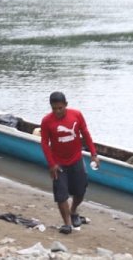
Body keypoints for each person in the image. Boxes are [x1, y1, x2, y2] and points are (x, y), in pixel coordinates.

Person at [39, 91, 99, 234]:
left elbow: (85, 134)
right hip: (58, 163)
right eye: (54, 108)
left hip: (76, 159)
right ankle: (67, 224)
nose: (57, 111)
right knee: (61, 194)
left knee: (80, 190)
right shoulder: (47, 121)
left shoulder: (76, 115)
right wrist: (51, 164)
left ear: (66, 104)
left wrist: (94, 154)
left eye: (60, 108)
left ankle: (73, 211)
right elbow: (44, 143)